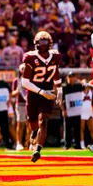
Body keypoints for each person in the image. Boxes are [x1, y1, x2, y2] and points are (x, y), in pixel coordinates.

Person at [22, 31, 62, 163]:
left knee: (43, 121)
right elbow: (25, 82)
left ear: (49, 44)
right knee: (33, 123)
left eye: (44, 42)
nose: (42, 45)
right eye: (40, 42)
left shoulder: (55, 56)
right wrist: (41, 92)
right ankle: (34, 132)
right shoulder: (30, 57)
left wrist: (59, 88)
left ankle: (37, 150)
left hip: (47, 93)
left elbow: (55, 71)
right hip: (33, 94)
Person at [60, 72, 84, 150]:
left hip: (76, 111)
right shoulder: (64, 87)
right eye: (70, 77)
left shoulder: (78, 86)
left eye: (73, 77)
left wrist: (81, 81)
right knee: (67, 128)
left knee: (77, 128)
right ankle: (67, 144)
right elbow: (60, 99)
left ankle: (77, 144)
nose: (71, 78)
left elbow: (86, 87)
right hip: (68, 111)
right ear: (67, 78)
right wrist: (63, 110)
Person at [12, 64, 30, 151]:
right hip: (20, 104)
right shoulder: (16, 81)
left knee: (30, 124)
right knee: (20, 123)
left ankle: (29, 143)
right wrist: (18, 90)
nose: (24, 70)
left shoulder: (30, 80)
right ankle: (18, 143)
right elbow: (12, 94)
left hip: (29, 103)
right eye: (22, 68)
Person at [80, 79, 93, 150]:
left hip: (89, 112)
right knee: (81, 129)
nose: (85, 85)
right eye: (83, 84)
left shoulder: (91, 92)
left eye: (86, 83)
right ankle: (82, 144)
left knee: (92, 129)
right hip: (82, 112)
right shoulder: (80, 92)